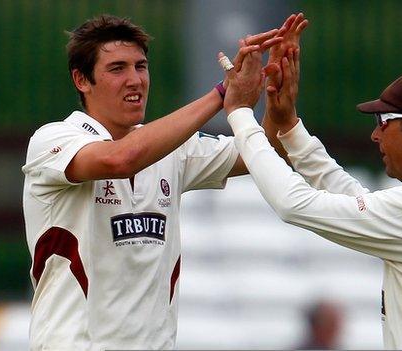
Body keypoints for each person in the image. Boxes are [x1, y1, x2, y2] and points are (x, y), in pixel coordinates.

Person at [222, 31, 402, 348]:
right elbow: (358, 201)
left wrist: (241, 115)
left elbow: (294, 205)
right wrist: (290, 129)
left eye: (383, 121)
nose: (375, 136)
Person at [21, 14, 288, 350]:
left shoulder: (171, 148)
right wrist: (223, 93)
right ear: (81, 80)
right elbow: (121, 159)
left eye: (141, 66)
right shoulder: (53, 139)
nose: (135, 80)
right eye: (117, 69)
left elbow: (263, 152)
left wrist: (280, 103)